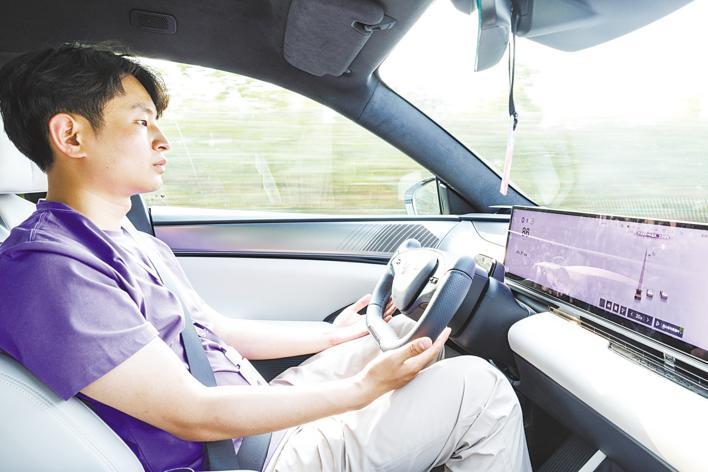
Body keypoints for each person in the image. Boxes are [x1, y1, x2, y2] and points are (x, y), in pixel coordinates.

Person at [0, 44, 531, 472]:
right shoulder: (51, 269)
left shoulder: (128, 239)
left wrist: (335, 336)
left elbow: (216, 333)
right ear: (71, 135)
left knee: (404, 339)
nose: (163, 140)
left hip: (253, 422)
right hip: (242, 457)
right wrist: (362, 389)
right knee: (480, 391)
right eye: (142, 123)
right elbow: (192, 414)